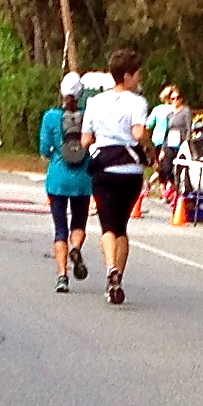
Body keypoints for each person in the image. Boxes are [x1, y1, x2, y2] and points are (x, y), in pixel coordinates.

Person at [82, 48, 152, 307]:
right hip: (130, 171)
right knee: (122, 225)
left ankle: (110, 267)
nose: (140, 79)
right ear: (127, 75)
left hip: (104, 169)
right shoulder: (138, 102)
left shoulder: (94, 102)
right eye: (137, 74)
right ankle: (118, 279)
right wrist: (149, 142)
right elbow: (137, 134)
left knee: (107, 226)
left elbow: (86, 138)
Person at [39, 72, 93, 295]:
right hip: (83, 178)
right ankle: (76, 248)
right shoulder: (88, 116)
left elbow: (44, 149)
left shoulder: (50, 117)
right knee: (79, 223)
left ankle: (62, 276)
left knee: (60, 228)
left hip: (57, 178)